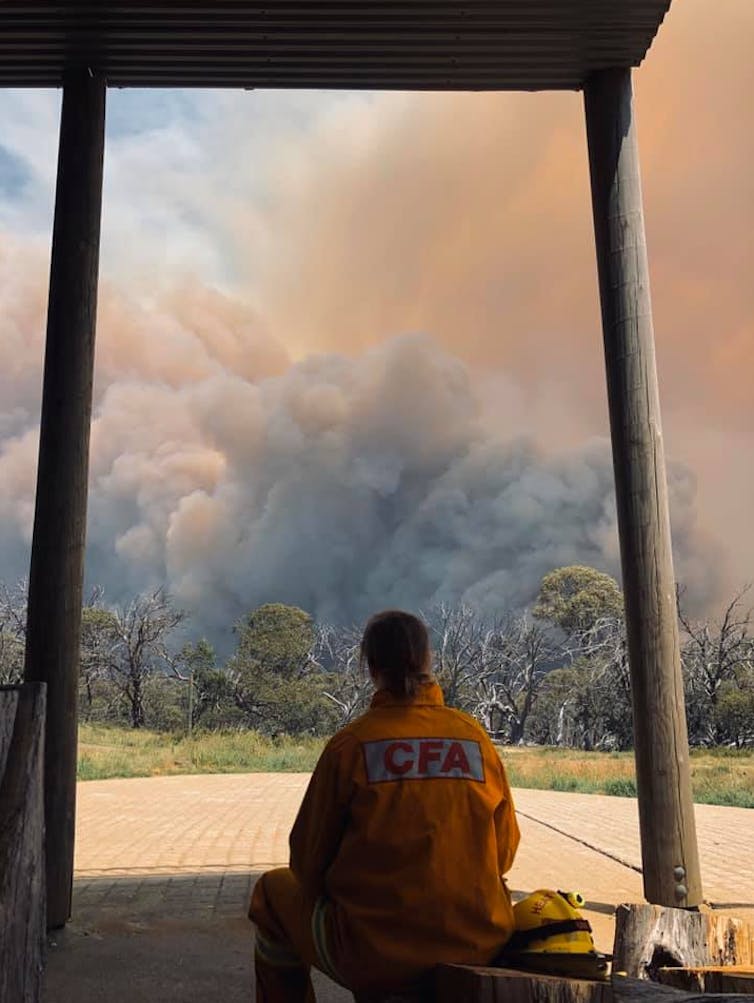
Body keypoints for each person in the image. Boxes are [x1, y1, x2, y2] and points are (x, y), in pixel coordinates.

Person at [249, 609, 520, 1001]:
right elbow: (504, 854)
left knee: (271, 896)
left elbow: (306, 864)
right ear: (428, 661)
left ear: (371, 667)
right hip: (479, 943)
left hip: (375, 954)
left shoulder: (352, 746)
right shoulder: (474, 739)